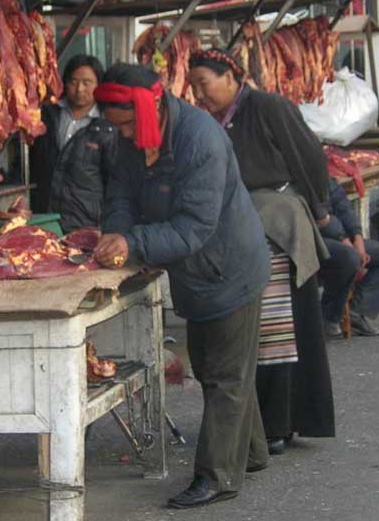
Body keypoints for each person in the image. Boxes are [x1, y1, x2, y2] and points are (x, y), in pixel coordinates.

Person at [92, 63, 271, 509]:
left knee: (223, 373)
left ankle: (218, 476)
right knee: (219, 365)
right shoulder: (132, 138)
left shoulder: (200, 139)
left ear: (150, 105)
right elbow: (121, 193)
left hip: (228, 265)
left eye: (129, 123)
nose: (126, 135)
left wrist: (132, 241)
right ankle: (251, 451)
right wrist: (114, 232)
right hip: (195, 271)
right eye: (117, 127)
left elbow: (194, 226)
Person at [188, 48, 336, 456]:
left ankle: (281, 422)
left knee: (278, 331)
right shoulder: (208, 121)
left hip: (276, 227)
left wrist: (320, 209)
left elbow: (308, 157)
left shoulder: (268, 106)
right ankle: (259, 423)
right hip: (234, 230)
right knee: (247, 330)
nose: (200, 93)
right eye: (195, 86)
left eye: (206, 83)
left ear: (231, 75)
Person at [29, 54, 116, 232]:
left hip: (85, 225)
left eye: (87, 83)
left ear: (98, 85)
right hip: (44, 220)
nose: (79, 89)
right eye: (73, 81)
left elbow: (114, 183)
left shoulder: (107, 127)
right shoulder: (47, 116)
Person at [318, 177, 379, 338]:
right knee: (348, 257)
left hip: (342, 237)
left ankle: (355, 312)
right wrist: (343, 240)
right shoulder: (299, 177)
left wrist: (357, 238)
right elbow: (320, 216)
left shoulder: (326, 177)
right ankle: (328, 317)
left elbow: (344, 209)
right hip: (316, 239)